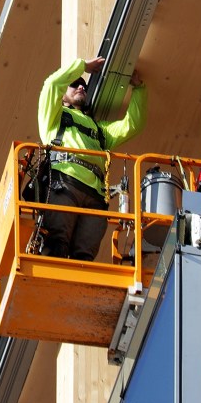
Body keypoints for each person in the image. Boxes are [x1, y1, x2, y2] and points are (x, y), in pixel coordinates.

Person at [35, 56, 147, 261]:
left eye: (84, 86)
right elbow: (52, 84)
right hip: (64, 184)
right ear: (62, 96)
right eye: (75, 84)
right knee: (57, 243)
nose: (81, 88)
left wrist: (138, 89)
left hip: (95, 195)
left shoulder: (98, 129)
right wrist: (83, 67)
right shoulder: (53, 117)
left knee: (85, 254)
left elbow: (132, 125)